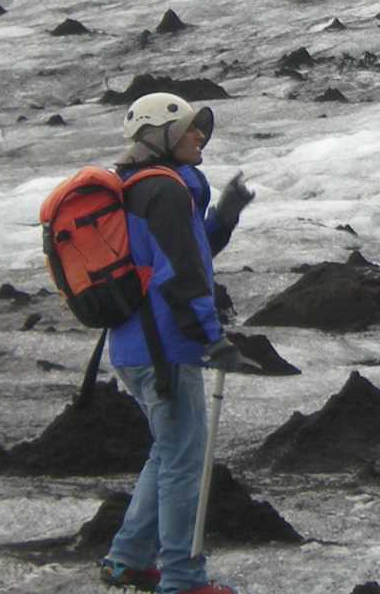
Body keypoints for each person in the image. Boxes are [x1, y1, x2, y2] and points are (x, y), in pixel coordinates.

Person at [97, 92, 252, 594]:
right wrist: (212, 339)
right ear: (161, 137)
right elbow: (180, 275)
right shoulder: (163, 191)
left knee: (169, 453)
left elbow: (190, 250)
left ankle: (127, 561)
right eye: (189, 128)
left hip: (135, 346)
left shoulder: (144, 188)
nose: (199, 135)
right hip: (164, 348)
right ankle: (183, 579)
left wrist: (223, 215)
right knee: (185, 462)